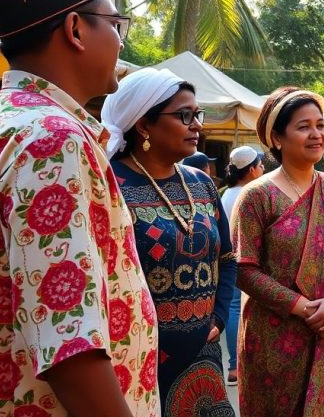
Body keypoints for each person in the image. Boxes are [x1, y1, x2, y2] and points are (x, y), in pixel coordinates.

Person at [0, 0, 158, 415]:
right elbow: (71, 346)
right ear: (75, 29)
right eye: (115, 24)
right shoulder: (51, 138)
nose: (120, 39)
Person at [101, 68, 237, 417]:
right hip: (138, 356)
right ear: (143, 125)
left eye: (197, 114)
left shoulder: (201, 183)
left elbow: (227, 258)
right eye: (184, 115)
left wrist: (219, 318)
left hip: (204, 353)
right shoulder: (107, 184)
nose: (196, 125)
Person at [233, 87, 324, 416]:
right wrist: (305, 308)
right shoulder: (257, 196)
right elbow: (244, 269)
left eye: (321, 125)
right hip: (279, 337)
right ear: (277, 138)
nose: (317, 134)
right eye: (304, 126)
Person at [219, 145, 265, 386]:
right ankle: (241, 364)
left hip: (229, 260)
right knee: (242, 309)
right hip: (246, 261)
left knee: (234, 310)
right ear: (251, 170)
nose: (263, 169)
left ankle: (234, 367)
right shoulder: (250, 193)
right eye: (260, 165)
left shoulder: (226, 193)